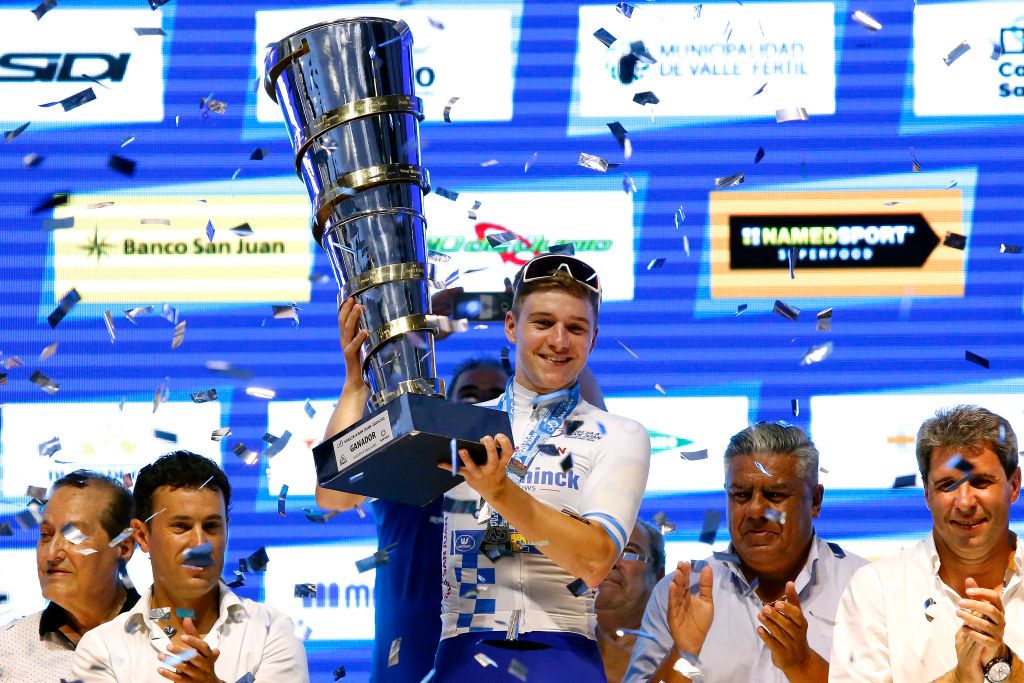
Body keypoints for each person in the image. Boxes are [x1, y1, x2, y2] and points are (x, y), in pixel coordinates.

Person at [315, 289, 607, 682]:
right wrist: (377, 365)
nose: (480, 409)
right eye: (468, 397)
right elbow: (333, 494)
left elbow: (595, 426)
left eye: (493, 399)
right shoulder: (416, 462)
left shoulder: (539, 477)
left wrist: (525, 317)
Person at [431, 252, 651, 682]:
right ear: (511, 326)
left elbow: (594, 562)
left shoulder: (620, 434)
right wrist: (355, 379)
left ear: (594, 338)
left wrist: (501, 492)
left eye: (576, 328)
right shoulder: (456, 425)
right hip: (463, 652)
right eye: (543, 323)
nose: (559, 340)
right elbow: (334, 497)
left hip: (563, 652)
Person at [625, 421, 867, 683]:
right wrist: (684, 652)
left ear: (815, 501)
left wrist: (803, 664)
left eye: (775, 494)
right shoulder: (681, 592)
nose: (754, 511)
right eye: (741, 495)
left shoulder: (864, 588)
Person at [72, 451, 309, 682]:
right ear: (143, 536)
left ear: (227, 531)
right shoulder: (102, 649)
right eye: (181, 526)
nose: (199, 544)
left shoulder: (272, 632)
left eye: (211, 526)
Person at [830, 405, 1024, 682]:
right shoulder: (876, 589)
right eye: (947, 484)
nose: (965, 502)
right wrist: (958, 678)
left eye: (981, 482)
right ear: (927, 494)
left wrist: (1003, 662)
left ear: (1014, 485)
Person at [0, 471, 138, 680]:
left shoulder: (170, 641)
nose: (52, 553)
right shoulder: (6, 648)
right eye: (45, 535)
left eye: (74, 536)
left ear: (124, 547)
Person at [597, 520, 666, 683]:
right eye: (599, 549)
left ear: (658, 576)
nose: (611, 562)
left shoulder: (678, 647)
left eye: (628, 551)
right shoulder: (540, 637)